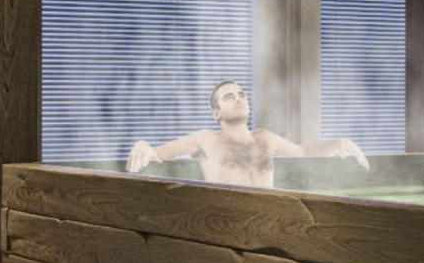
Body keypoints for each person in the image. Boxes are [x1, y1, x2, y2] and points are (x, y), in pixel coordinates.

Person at [126, 80, 370, 189]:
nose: (239, 98)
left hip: (267, 220)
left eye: (242, 94)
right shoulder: (206, 139)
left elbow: (303, 151)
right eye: (229, 97)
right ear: (216, 114)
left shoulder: (265, 138)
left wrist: (339, 142)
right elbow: (158, 154)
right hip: (226, 222)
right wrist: (143, 146)